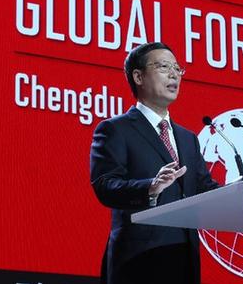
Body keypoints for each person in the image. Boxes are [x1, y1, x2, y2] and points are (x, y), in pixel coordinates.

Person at [90, 42, 220, 284]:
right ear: (138, 76)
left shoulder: (187, 138)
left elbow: (204, 190)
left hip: (183, 262)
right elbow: (105, 186)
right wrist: (150, 186)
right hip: (138, 263)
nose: (174, 74)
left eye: (177, 68)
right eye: (163, 66)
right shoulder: (115, 129)